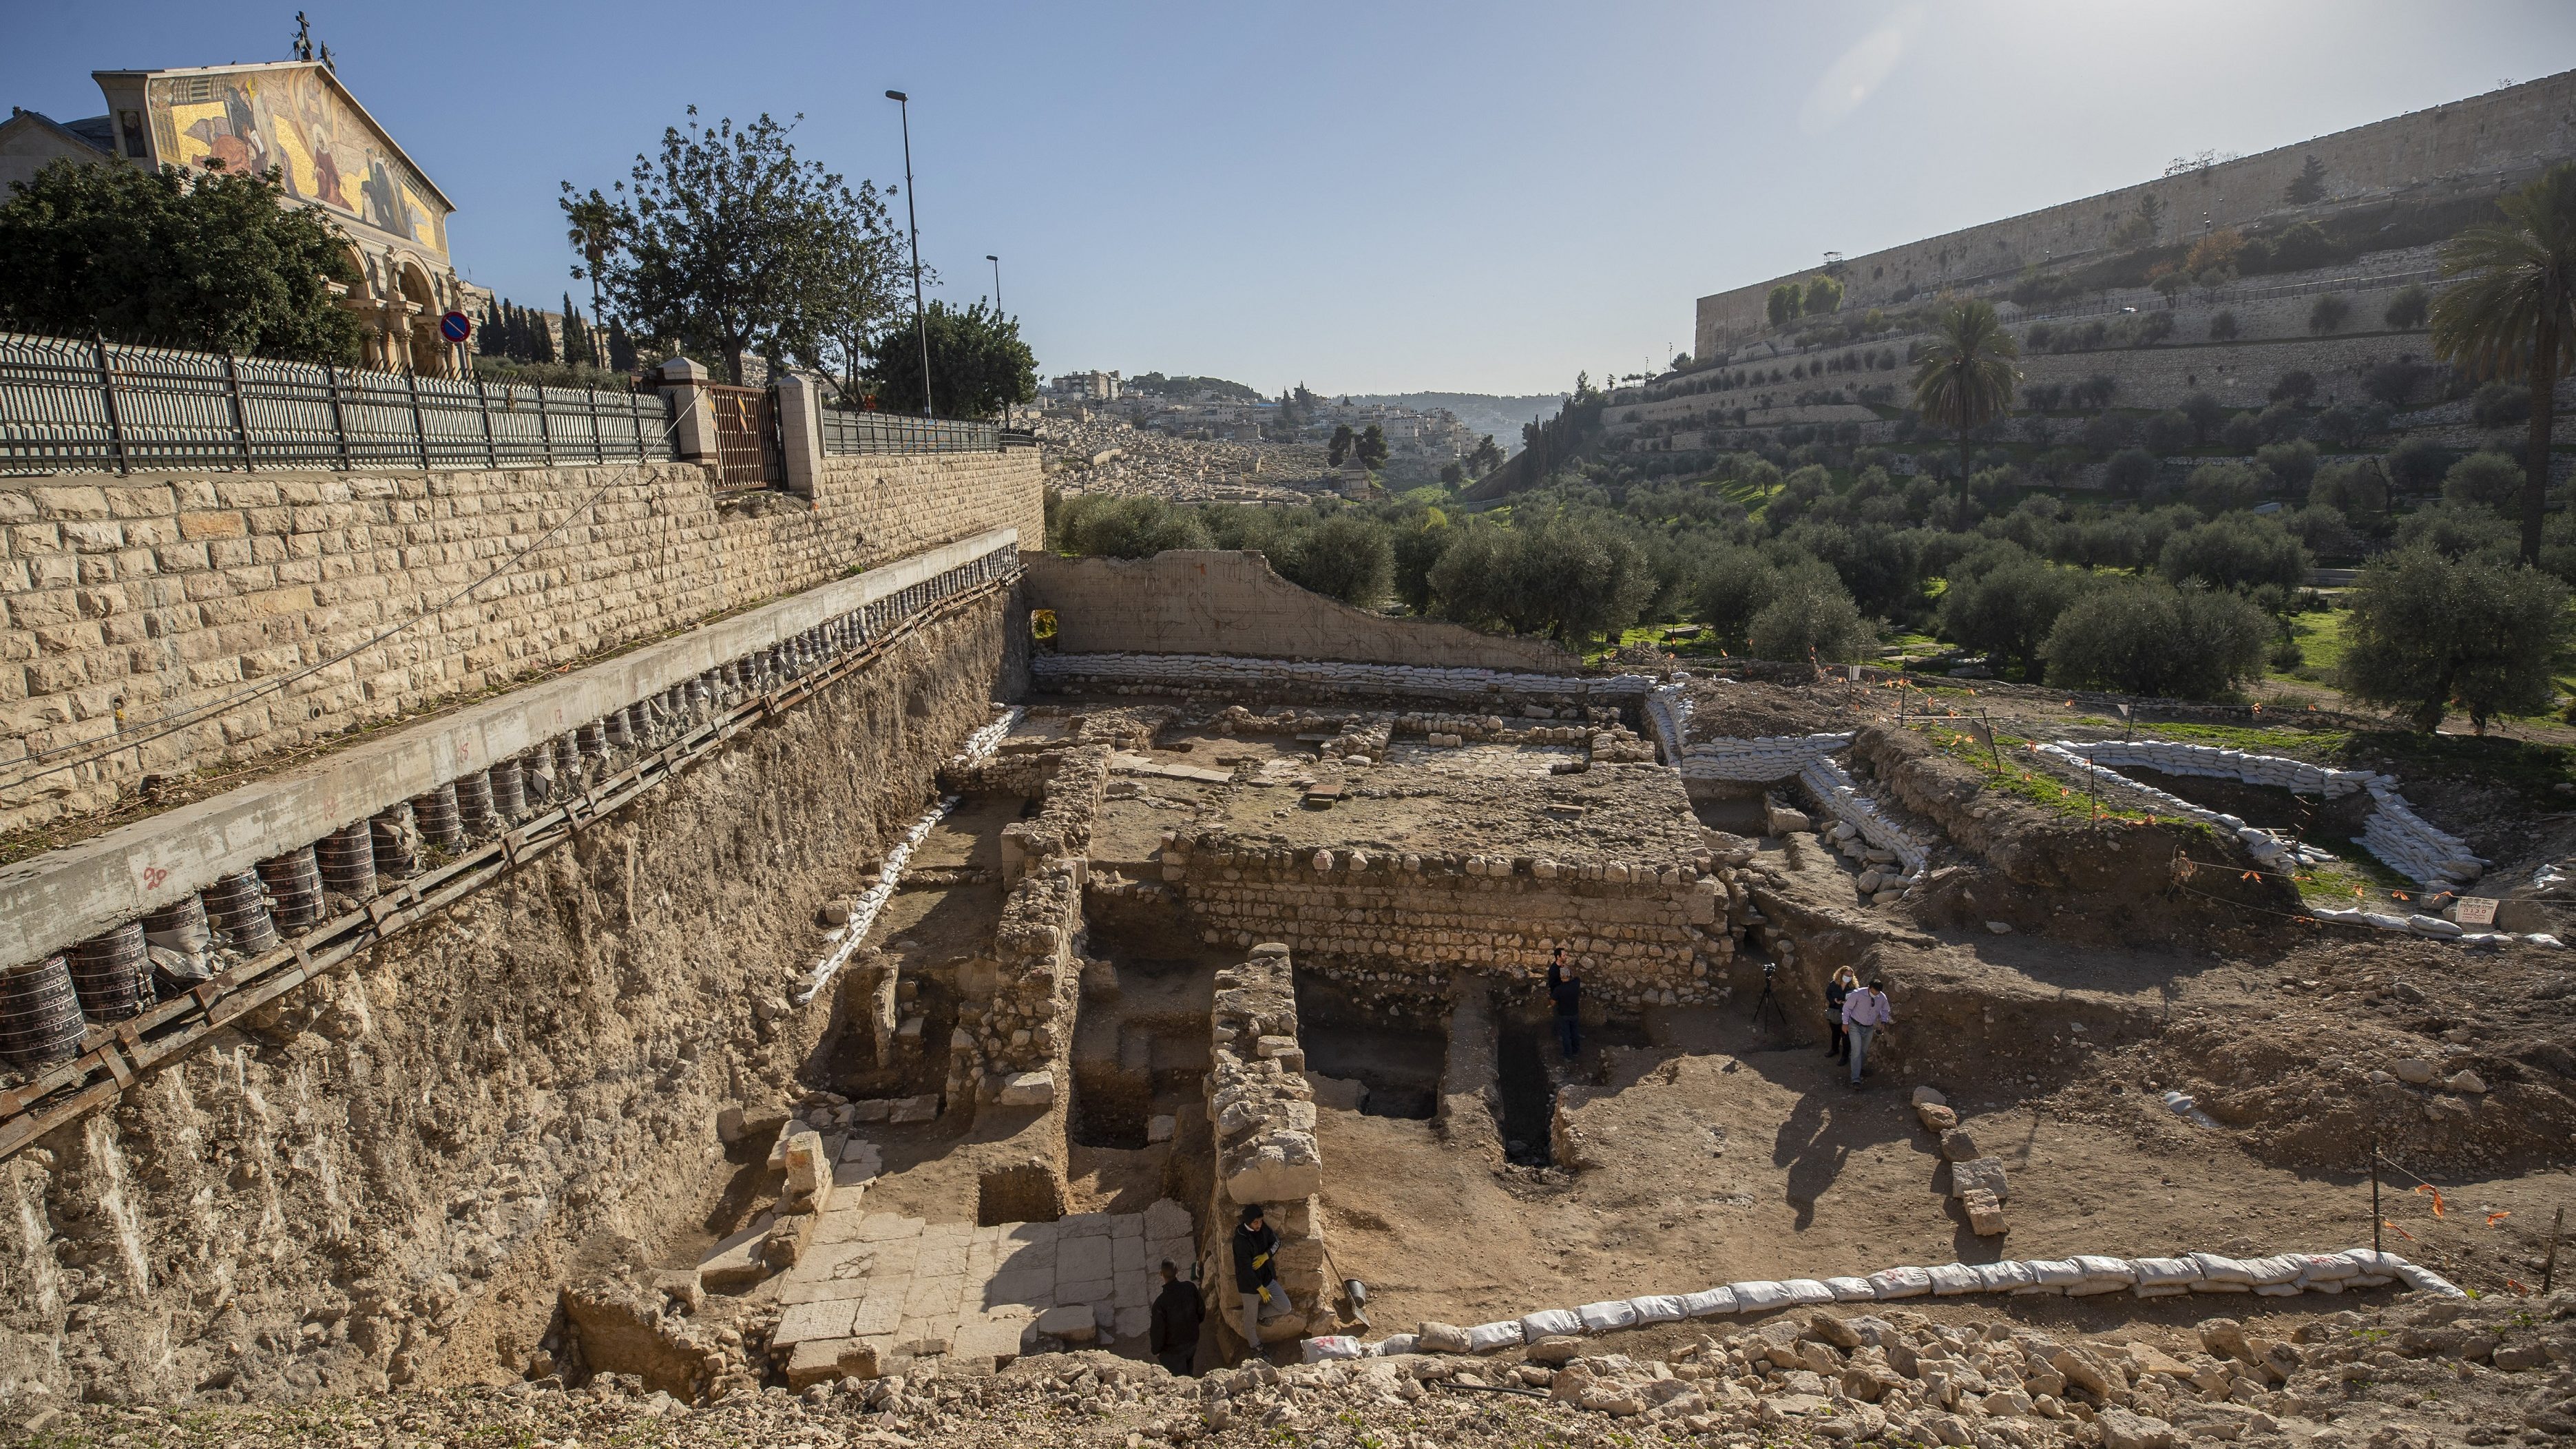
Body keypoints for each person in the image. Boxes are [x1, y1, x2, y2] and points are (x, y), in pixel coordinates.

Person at [1232, 1203, 1286, 1355]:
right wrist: (1259, 1288)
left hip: (1266, 1278)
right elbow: (1245, 1270)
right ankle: (1255, 1346)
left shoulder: (1262, 1229)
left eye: (1260, 1221)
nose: (1259, 1225)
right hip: (1250, 1287)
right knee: (1249, 1320)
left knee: (1285, 1306)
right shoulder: (1241, 1241)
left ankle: (1261, 1315)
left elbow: (1276, 1242)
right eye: (1256, 1222)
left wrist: (1266, 1256)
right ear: (1248, 1222)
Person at [1149, 1259, 1203, 1376]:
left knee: (1181, 1378)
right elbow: (1201, 1311)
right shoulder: (1190, 1288)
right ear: (1177, 1270)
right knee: (1189, 1365)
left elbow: (1158, 1332)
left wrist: (1156, 1350)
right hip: (1192, 1341)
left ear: (1161, 1274)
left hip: (1173, 1351)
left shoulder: (1160, 1304)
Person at [1842, 976, 1892, 1087]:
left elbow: (1885, 1010)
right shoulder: (1858, 994)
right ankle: (1855, 1079)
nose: (1877, 994)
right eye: (1875, 991)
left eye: (1879, 992)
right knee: (1856, 1051)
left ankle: (1859, 1068)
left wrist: (1883, 1022)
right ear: (1869, 988)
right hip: (1855, 1025)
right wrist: (1845, 1023)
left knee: (1864, 1051)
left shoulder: (1882, 997)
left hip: (1869, 1028)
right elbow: (1847, 1008)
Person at [1545, 948, 1582, 1059]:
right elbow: (1576, 977)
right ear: (1558, 957)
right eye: (1564, 955)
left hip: (1563, 1009)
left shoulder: (1560, 989)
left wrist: (1552, 999)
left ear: (1562, 977)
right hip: (1574, 1011)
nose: (1566, 956)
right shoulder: (1575, 983)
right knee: (1574, 1031)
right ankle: (1575, 1050)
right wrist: (1569, 970)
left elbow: (1552, 1002)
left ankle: (1568, 1056)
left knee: (1566, 1034)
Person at [1824, 966, 1858, 1063]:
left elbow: (1857, 1000)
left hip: (1847, 1014)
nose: (1849, 977)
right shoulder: (1834, 984)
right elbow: (1828, 994)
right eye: (1847, 975)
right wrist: (1834, 1000)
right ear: (1841, 974)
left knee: (1846, 1036)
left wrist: (1847, 1003)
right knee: (1835, 1033)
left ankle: (1845, 1056)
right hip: (1834, 1012)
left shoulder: (1853, 988)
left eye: (1851, 976)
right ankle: (1834, 1049)